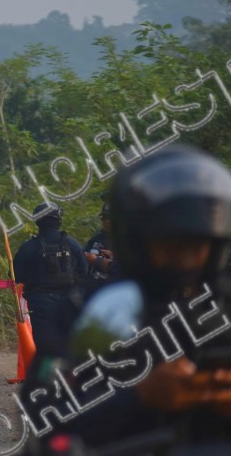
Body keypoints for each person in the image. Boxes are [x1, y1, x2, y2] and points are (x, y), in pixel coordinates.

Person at [35, 145, 231, 452]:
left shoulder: (222, 306)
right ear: (136, 241)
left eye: (196, 246)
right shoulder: (92, 312)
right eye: (170, 245)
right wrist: (138, 397)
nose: (184, 259)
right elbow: (43, 423)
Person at [12, 202, 87, 354]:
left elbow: (16, 276)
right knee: (69, 343)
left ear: (37, 221)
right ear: (58, 220)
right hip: (70, 301)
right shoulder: (73, 244)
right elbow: (85, 273)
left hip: (40, 304)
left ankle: (48, 369)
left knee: (45, 347)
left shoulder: (28, 247)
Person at [83, 202, 120, 284]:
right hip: (94, 285)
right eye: (104, 218)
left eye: (110, 218)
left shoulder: (125, 242)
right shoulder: (95, 239)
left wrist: (98, 260)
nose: (107, 222)